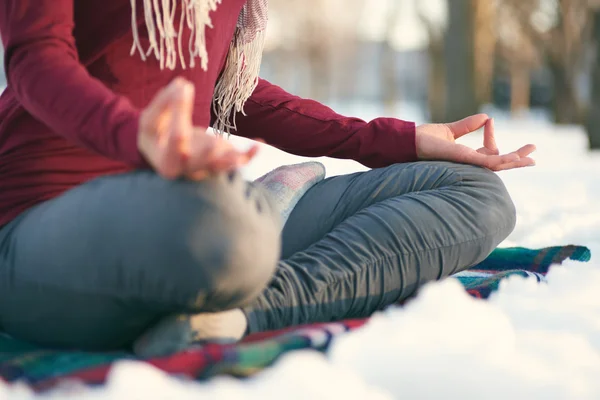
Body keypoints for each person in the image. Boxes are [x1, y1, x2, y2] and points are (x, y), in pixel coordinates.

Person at [0, 0, 535, 355]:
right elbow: (35, 61)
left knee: (479, 195)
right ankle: (249, 221)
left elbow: (232, 91)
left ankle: (242, 312)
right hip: (43, 226)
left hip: (196, 221)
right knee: (224, 227)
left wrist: (399, 139)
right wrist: (137, 135)